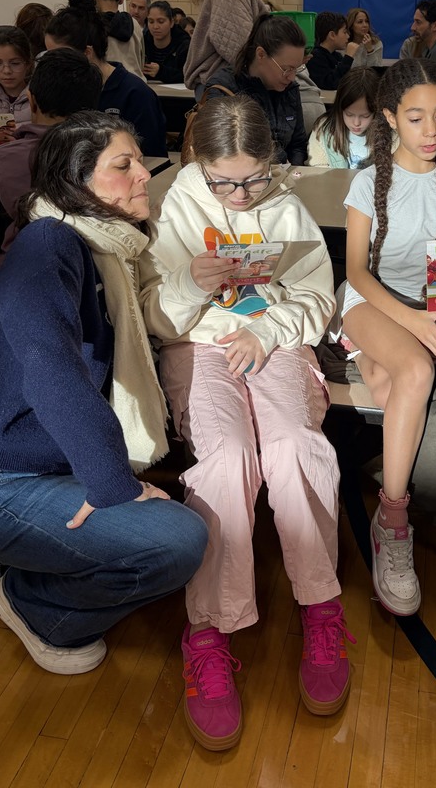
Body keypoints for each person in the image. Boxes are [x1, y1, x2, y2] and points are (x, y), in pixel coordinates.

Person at [0, 112, 208, 676]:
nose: (143, 176)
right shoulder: (48, 243)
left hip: (41, 464)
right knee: (177, 542)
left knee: (164, 525)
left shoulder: (109, 250)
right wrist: (114, 485)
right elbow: (49, 369)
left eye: (140, 161)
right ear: (77, 183)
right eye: (123, 164)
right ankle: (34, 606)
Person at [139, 96, 352, 751]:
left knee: (293, 446)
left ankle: (320, 604)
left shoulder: (284, 205)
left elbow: (317, 299)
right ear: (196, 164)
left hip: (274, 343)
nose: (238, 194)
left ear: (272, 164)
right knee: (226, 458)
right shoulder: (173, 201)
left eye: (253, 178)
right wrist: (191, 283)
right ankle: (207, 628)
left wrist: (267, 331)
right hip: (197, 345)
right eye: (223, 181)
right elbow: (152, 313)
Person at [339, 58, 436, 616]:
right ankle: (393, 519)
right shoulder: (368, 181)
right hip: (370, 303)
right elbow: (358, 273)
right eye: (416, 118)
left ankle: (367, 365)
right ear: (390, 117)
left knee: (394, 396)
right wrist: (413, 323)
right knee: (415, 373)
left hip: (424, 309)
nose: (431, 131)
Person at [0, 48, 102, 312]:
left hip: (12, 296)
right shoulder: (112, 158)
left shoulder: (1, 160)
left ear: (32, 101)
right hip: (90, 295)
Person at [45, 0, 167, 158]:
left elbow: (153, 157)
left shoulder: (136, 95)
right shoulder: (66, 91)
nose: (52, 65)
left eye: (59, 57)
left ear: (87, 53)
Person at [201, 14, 308, 165]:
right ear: (261, 54)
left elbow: (298, 145)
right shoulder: (224, 89)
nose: (291, 77)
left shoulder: (290, 89)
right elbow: (219, 153)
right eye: (286, 69)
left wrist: (294, 171)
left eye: (296, 69)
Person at [308, 68, 380, 168]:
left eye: (365, 116)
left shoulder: (390, 133)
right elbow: (318, 169)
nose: (356, 123)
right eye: (349, 114)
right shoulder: (323, 129)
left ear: (376, 111)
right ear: (340, 109)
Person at [91, 0, 147, 82]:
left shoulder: (92, 25)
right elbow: (141, 62)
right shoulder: (135, 24)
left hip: (108, 87)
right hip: (136, 85)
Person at [305, 12, 359, 89]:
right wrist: (348, 58)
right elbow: (330, 84)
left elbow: (346, 82)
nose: (348, 36)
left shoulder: (337, 56)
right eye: (344, 32)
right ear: (332, 35)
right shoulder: (315, 57)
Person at [143, 0, 190, 84]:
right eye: (151, 21)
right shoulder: (143, 42)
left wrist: (161, 71)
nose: (155, 26)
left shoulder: (184, 45)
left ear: (171, 23)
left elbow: (187, 74)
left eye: (161, 21)